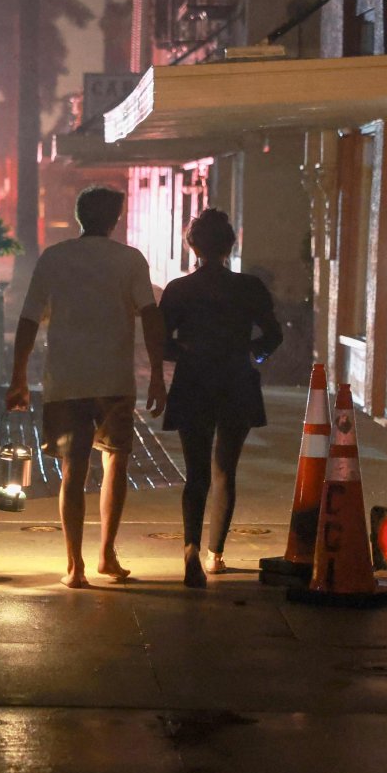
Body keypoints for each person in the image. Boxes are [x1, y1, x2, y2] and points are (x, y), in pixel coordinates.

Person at [6, 186, 167, 588]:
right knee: (116, 463)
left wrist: (18, 378)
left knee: (72, 471)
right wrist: (159, 375)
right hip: (114, 380)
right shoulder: (130, 260)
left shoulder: (55, 258)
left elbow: (28, 320)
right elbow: (150, 316)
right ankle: (107, 555)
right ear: (114, 220)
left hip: (66, 380)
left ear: (80, 217)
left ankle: (74, 566)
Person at [158, 208, 283, 587]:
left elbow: (162, 343)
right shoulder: (249, 287)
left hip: (194, 381)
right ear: (231, 244)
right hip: (235, 381)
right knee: (225, 471)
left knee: (195, 473)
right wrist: (250, 353)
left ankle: (190, 549)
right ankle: (216, 554)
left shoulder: (179, 290)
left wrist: (189, 354)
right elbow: (273, 335)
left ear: (193, 246)